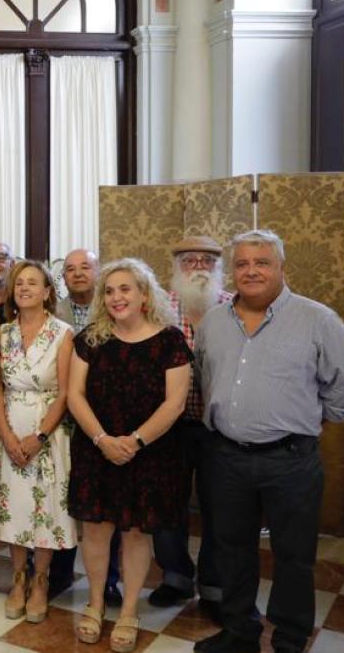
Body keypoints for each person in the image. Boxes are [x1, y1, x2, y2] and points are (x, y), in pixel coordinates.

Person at [195, 230, 344, 653]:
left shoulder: (317, 320)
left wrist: (308, 420)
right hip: (227, 457)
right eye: (242, 263)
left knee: (293, 556)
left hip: (291, 460)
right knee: (232, 550)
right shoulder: (213, 321)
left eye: (262, 262)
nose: (251, 270)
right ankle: (239, 632)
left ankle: (289, 638)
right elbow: (204, 377)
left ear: (282, 267)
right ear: (232, 270)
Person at [68, 258, 192, 653]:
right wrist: (104, 439)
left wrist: (134, 442)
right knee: (97, 530)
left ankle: (129, 611)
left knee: (137, 532)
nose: (117, 297)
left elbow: (174, 404)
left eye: (126, 289)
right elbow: (74, 395)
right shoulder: (90, 339)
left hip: (150, 453)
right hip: (96, 449)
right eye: (110, 291)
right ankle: (96, 602)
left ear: (144, 295)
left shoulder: (170, 340)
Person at [149, 236, 234, 614]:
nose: (198, 266)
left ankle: (215, 586)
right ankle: (176, 577)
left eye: (206, 261)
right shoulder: (157, 306)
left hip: (222, 428)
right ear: (177, 266)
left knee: (221, 507)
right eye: (189, 261)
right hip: (170, 425)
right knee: (167, 504)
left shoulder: (235, 306)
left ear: (218, 268)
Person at [0, 260, 76, 624]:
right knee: (16, 506)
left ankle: (40, 581)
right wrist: (8, 434)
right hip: (8, 427)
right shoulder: (3, 332)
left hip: (48, 432)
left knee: (46, 507)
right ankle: (18, 578)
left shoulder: (63, 332)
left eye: (32, 283)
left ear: (46, 292)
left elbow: (67, 392)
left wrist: (39, 436)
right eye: (19, 283)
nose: (24, 288)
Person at [53, 248, 122, 605]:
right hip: (65, 423)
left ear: (99, 271)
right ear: (62, 277)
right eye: (70, 269)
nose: (78, 274)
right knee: (64, 502)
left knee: (106, 508)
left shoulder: (116, 308)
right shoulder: (54, 311)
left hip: (108, 421)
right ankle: (59, 573)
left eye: (86, 267)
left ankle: (110, 580)